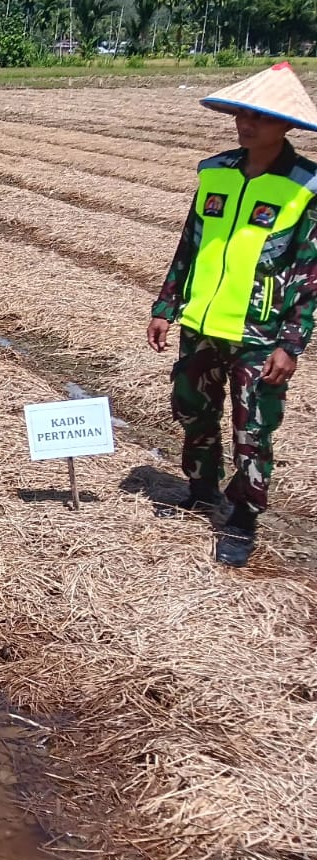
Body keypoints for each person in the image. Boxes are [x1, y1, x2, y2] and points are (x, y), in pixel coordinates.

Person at [147, 62, 317, 567]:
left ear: (285, 125)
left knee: (253, 426)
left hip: (260, 331)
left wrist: (291, 343)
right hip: (202, 320)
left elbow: (311, 271)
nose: (247, 124)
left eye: (260, 118)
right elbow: (189, 245)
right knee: (193, 408)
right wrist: (166, 305)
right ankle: (201, 486)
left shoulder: (305, 186)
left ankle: (243, 514)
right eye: (243, 114)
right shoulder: (215, 172)